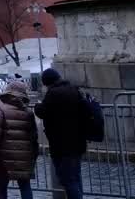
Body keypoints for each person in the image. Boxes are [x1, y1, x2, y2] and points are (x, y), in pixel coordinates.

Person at [34, 69, 87, 199]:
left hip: (62, 144)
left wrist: (37, 106)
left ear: (47, 82)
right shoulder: (74, 89)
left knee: (67, 180)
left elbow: (43, 111)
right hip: (78, 140)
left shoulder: (53, 93)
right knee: (75, 177)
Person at [0, 80, 40, 199]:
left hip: (4, 157)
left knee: (2, 187)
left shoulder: (0, 109)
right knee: (25, 186)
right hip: (24, 157)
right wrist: (34, 155)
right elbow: (33, 137)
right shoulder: (28, 112)